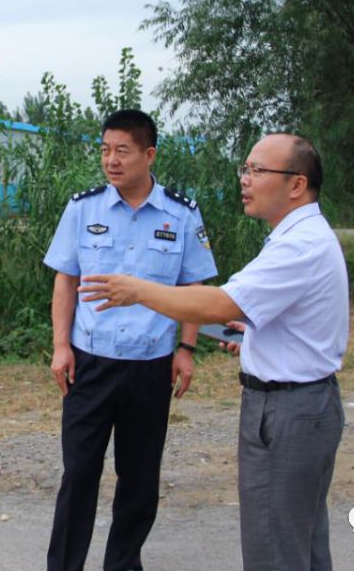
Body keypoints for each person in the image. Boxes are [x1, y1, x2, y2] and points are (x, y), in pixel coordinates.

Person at [78, 133, 349, 571]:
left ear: (296, 184)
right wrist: (250, 330)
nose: (245, 180)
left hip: (288, 411)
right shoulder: (299, 235)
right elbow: (265, 311)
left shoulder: (299, 245)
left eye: (257, 171)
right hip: (301, 403)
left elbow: (220, 303)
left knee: (275, 550)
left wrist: (138, 290)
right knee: (301, 543)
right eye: (245, 169)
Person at [44, 109, 218, 571]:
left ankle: (123, 564)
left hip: (150, 366)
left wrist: (187, 349)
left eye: (122, 150)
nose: (111, 161)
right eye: (105, 150)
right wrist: (61, 346)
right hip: (90, 363)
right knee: (79, 473)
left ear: (149, 154)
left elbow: (194, 287)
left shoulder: (181, 214)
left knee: (139, 480)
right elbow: (65, 281)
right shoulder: (83, 208)